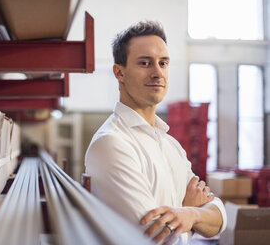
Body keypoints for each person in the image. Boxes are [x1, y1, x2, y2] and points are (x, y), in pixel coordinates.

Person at [85, 21, 227, 244]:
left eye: (163, 63)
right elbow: (158, 239)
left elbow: (219, 222)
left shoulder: (171, 145)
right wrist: (192, 212)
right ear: (119, 72)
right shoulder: (111, 144)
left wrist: (191, 214)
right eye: (145, 63)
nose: (157, 72)